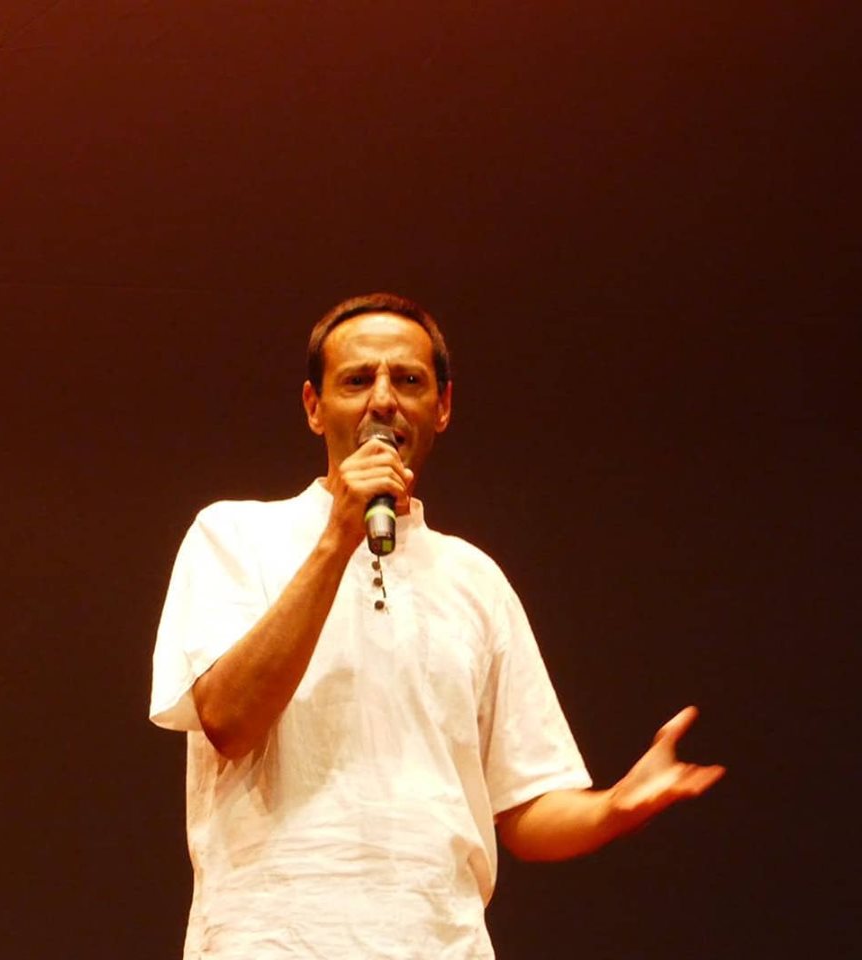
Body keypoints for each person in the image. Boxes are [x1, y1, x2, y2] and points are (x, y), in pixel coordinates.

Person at [149, 292, 724, 959]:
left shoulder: (475, 579)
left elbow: (527, 808)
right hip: (272, 942)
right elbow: (228, 719)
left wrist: (614, 807)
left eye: (408, 380)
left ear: (442, 406)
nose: (383, 400)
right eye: (356, 380)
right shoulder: (234, 535)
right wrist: (338, 537)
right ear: (314, 406)